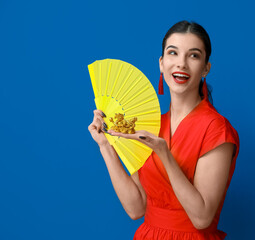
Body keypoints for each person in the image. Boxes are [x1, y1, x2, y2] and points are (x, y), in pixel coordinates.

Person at [88, 20, 240, 239]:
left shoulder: (216, 129)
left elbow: (202, 218)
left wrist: (164, 154)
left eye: (194, 55)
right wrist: (105, 145)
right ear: (161, 62)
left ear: (206, 68)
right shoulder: (151, 126)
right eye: (173, 53)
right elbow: (136, 208)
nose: (182, 64)